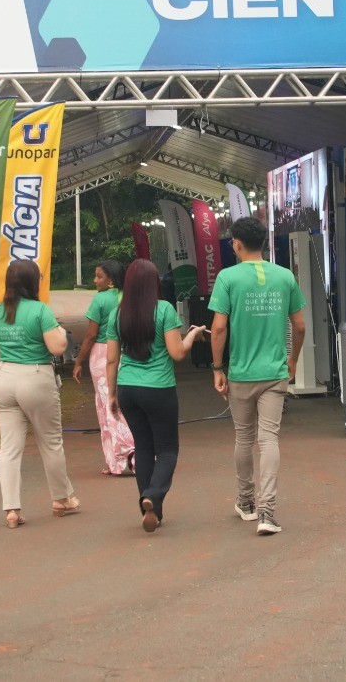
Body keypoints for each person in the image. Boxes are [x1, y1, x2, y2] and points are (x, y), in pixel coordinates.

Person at [208, 217, 305, 536]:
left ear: (236, 243)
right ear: (263, 243)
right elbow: (299, 326)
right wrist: (293, 360)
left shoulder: (227, 278)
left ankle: (247, 503)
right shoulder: (285, 276)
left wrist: (217, 368)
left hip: (241, 373)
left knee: (244, 438)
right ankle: (268, 512)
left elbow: (218, 328)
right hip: (275, 373)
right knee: (269, 438)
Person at [105, 259, 207, 533]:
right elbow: (177, 352)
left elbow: (111, 360)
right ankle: (152, 495)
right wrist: (193, 335)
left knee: (143, 448)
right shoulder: (164, 310)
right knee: (167, 450)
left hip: (127, 389)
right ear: (154, 284)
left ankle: (152, 511)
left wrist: (112, 395)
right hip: (159, 389)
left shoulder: (117, 314)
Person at [0, 259, 75, 529]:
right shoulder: (40, 310)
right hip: (35, 375)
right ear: (32, 282)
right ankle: (61, 499)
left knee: (9, 448)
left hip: (4, 377)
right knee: (50, 442)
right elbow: (58, 348)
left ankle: (12, 509)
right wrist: (60, 331)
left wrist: (2, 371)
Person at [73, 259, 136, 476]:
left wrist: (79, 360)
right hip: (128, 352)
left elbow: (91, 335)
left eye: (99, 276)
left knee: (107, 404)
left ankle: (125, 454)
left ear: (111, 280)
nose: (95, 280)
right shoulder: (129, 296)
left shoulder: (100, 299)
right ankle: (125, 458)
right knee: (126, 402)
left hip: (103, 354)